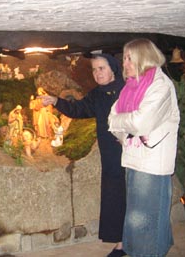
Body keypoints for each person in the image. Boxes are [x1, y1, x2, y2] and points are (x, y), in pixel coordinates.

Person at [39, 54, 126, 257]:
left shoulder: (127, 90)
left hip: (132, 151)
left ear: (113, 68)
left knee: (132, 197)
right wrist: (56, 101)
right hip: (111, 155)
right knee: (116, 197)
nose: (97, 73)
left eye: (101, 68)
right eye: (94, 69)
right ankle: (122, 243)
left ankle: (134, 240)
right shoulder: (97, 94)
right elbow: (79, 109)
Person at [108, 38, 180, 257]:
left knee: (148, 219)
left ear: (143, 57)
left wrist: (125, 123)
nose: (124, 63)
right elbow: (111, 120)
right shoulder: (130, 87)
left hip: (152, 162)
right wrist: (126, 124)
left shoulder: (160, 86)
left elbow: (141, 123)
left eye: (129, 58)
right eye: (125, 58)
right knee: (137, 217)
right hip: (133, 158)